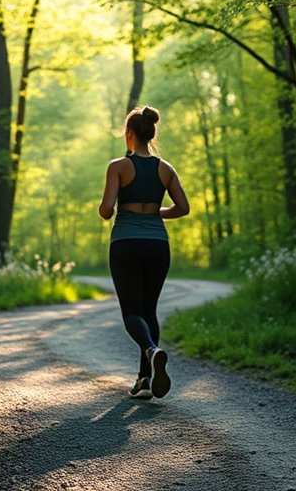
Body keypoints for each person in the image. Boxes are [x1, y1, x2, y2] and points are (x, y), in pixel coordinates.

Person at [98, 105, 190, 400]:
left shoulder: (118, 167)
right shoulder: (166, 169)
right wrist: (154, 212)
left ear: (129, 133)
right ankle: (144, 380)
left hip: (126, 243)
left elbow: (106, 210)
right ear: (151, 133)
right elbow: (183, 208)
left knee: (131, 311)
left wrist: (118, 206)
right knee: (149, 310)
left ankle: (151, 350)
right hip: (157, 245)